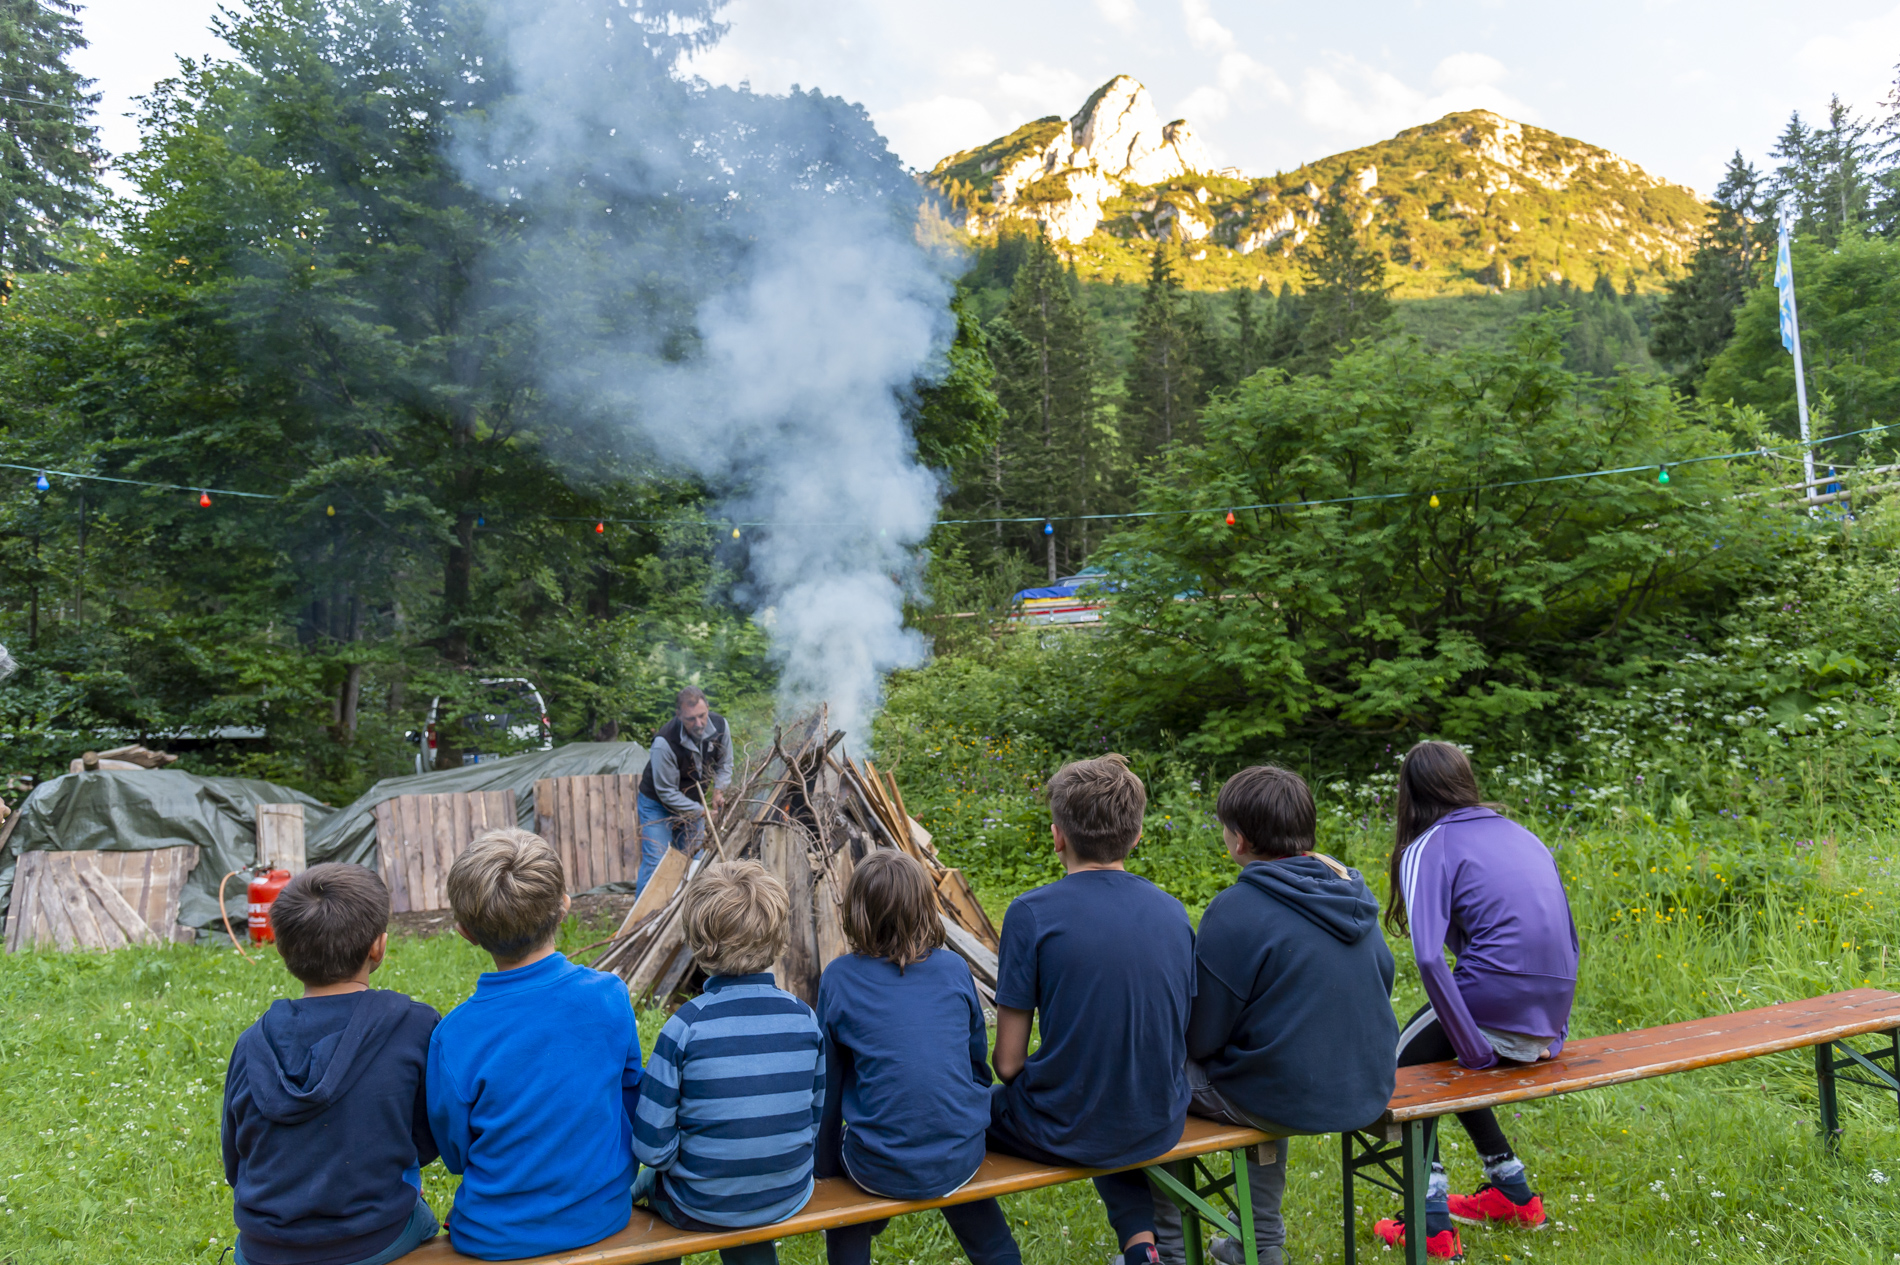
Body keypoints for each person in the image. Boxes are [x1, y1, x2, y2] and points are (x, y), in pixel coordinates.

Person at [1153, 766, 1399, 1265]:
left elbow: (1201, 1039)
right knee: (1272, 1069)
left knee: (1146, 1074)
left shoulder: (1237, 908)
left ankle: (1168, 1251)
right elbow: (1383, 980)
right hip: (1368, 1083)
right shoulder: (1352, 892)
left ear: (1239, 840)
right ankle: (1259, 1244)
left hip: (1287, 1092)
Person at [1372, 741, 1580, 1263]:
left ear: (1410, 795)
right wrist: (1556, 1028)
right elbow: (1569, 935)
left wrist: (1472, 1043)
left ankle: (1431, 1224)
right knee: (1438, 1058)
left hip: (1494, 996)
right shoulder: (1523, 835)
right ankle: (1512, 1192)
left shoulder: (1430, 845)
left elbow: (1426, 957)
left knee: (1398, 1070)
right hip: (1548, 1001)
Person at [986, 754, 1195, 1265]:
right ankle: (1140, 1246)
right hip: (1158, 1114)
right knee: (1103, 1100)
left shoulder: (1031, 913)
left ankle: (994, 1254)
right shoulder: (1173, 911)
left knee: (968, 1114)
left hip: (1069, 1121)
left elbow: (1008, 1063)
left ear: (1058, 836)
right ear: (1138, 835)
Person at [427, 829, 644, 1260]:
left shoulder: (453, 1035)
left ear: (465, 932)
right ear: (565, 905)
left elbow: (454, 1151)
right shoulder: (609, 995)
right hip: (602, 1215)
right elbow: (630, 1098)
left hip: (494, 1238)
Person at [221, 864, 441, 1265]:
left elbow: (235, 1160)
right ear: (378, 947)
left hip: (265, 1250)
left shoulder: (252, 1043)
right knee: (422, 1215)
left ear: (283, 950)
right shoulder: (416, 1025)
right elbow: (427, 1139)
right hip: (374, 1239)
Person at [815, 850, 1022, 1265]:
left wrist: (823, 1171)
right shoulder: (955, 969)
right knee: (983, 1227)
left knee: (850, 1199)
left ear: (857, 913)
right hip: (960, 1151)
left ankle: (854, 1240)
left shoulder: (838, 977)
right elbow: (975, 1064)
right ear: (925, 907)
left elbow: (828, 1086)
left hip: (874, 1164)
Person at [633, 861, 825, 1265]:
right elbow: (811, 1118)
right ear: (777, 936)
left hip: (700, 1202)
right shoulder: (804, 1018)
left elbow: (651, 1146)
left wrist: (674, 1164)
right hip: (787, 1191)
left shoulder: (685, 1026)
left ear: (699, 942)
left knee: (646, 1190)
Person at [636, 686, 734, 893]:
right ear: (679, 715)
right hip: (657, 804)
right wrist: (703, 812)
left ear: (707, 707)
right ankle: (644, 924)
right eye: (691, 719)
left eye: (702, 716)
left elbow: (725, 764)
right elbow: (666, 792)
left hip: (692, 803)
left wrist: (719, 791)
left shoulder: (720, 726)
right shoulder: (664, 742)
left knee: (694, 859)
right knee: (657, 862)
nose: (698, 724)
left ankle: (684, 915)